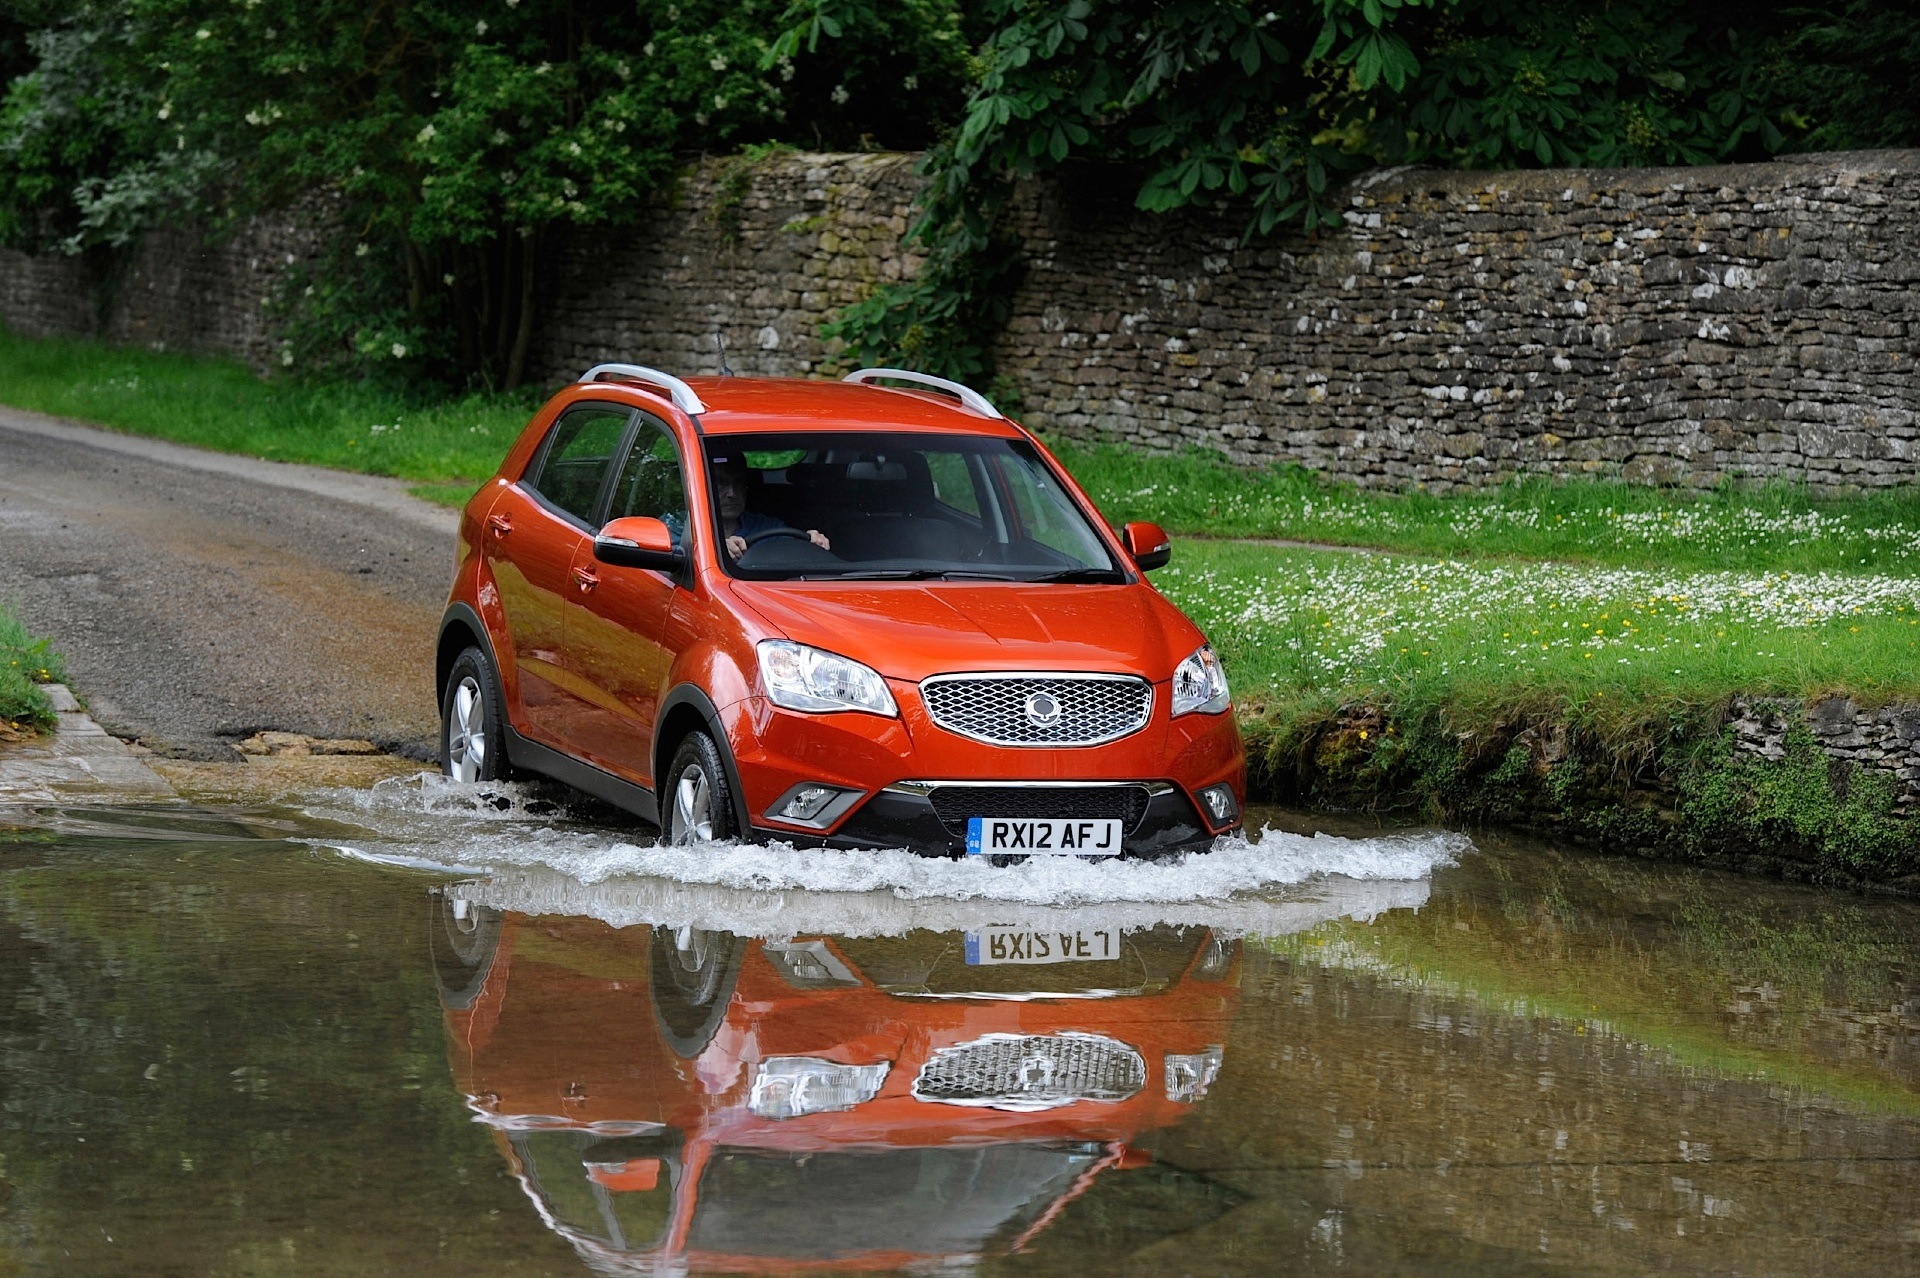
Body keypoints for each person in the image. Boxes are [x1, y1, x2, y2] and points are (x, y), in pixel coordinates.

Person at [710, 456, 830, 558]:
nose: (732, 493)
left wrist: (812, 543)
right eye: (720, 483)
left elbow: (794, 552)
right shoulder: (694, 532)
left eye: (738, 482)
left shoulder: (766, 527)